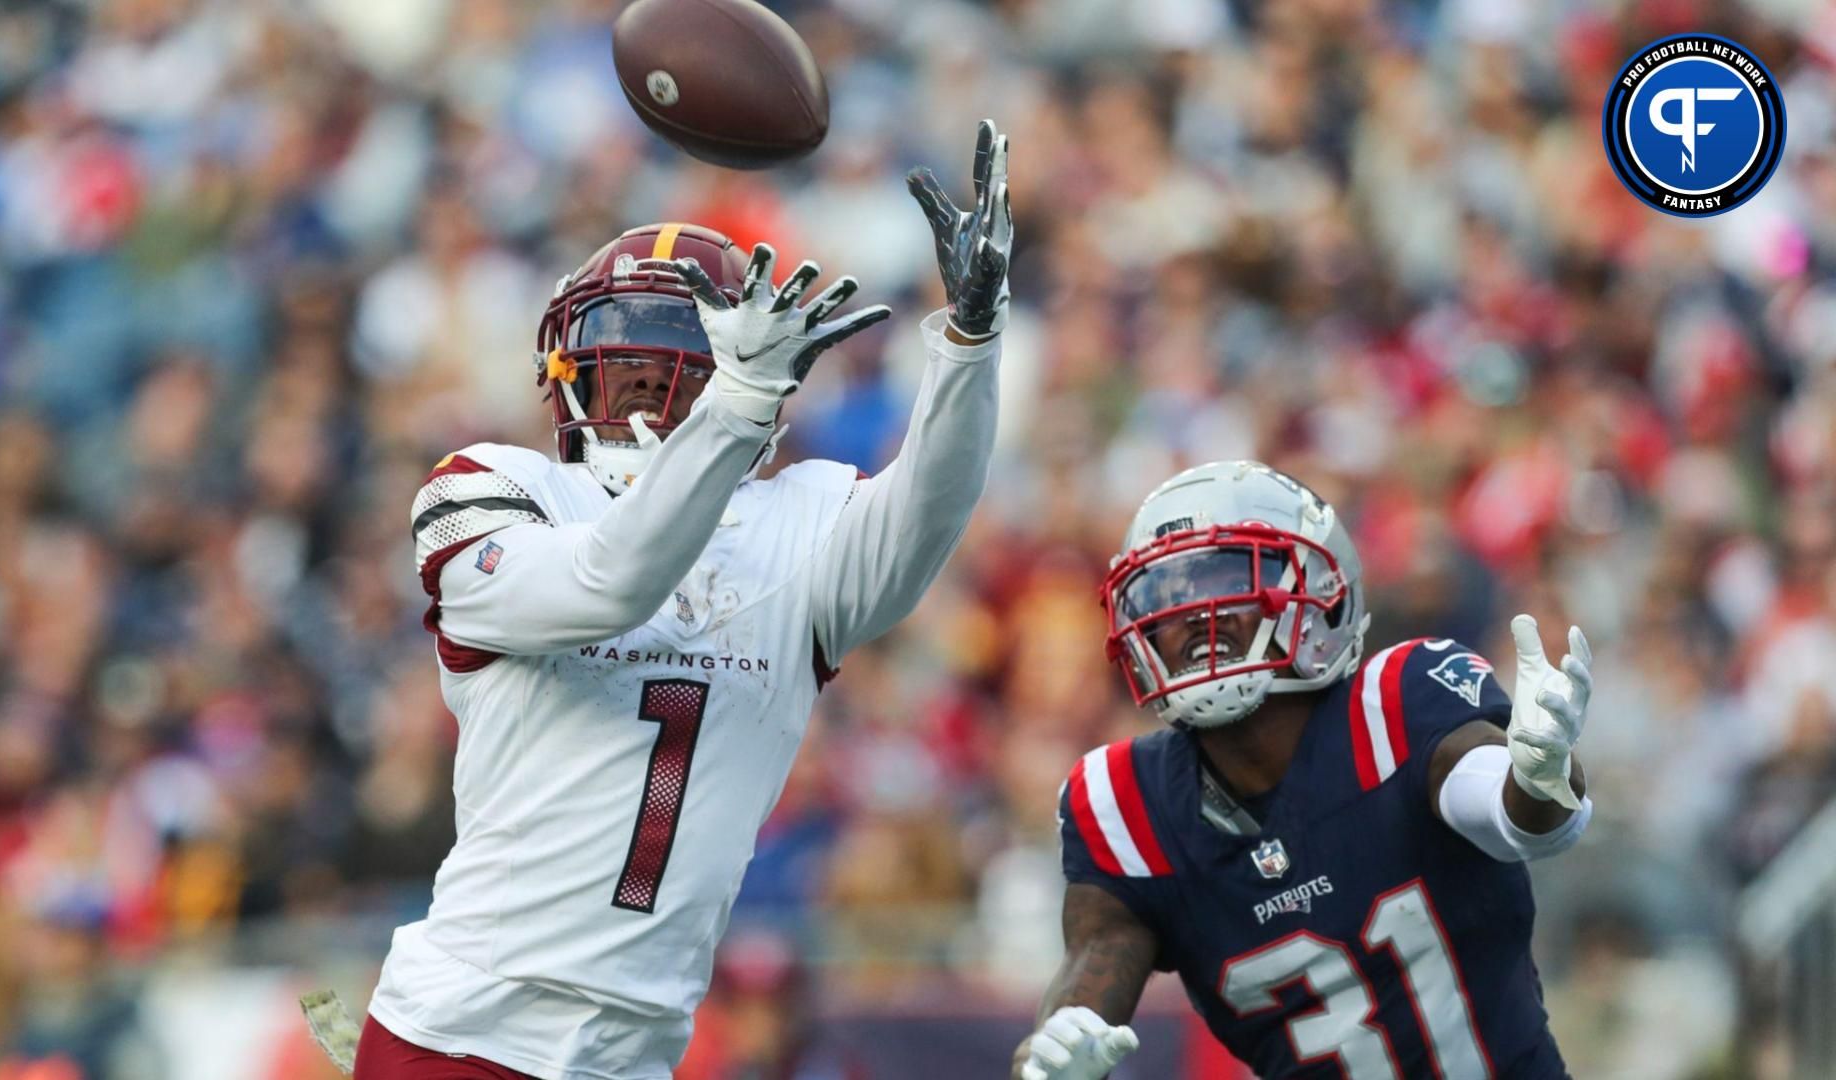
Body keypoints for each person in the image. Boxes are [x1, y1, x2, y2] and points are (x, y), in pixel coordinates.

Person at [347, 121, 1013, 1080]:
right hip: (465, 1030)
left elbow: (927, 517)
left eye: (676, 344)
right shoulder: (496, 488)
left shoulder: (803, 518)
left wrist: (970, 342)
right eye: (627, 340)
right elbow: (607, 583)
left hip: (641, 1048)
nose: (648, 367)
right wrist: (734, 404)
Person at [1012, 462, 1596, 1080]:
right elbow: (1076, 1007)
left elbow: (1516, 816)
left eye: (1224, 575)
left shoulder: (1397, 702)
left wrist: (1538, 774)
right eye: (1165, 593)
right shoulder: (1126, 802)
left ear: (1322, 592)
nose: (1192, 612)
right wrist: (1045, 1070)